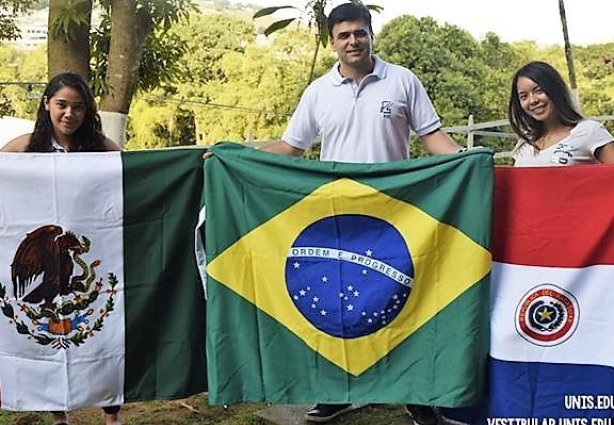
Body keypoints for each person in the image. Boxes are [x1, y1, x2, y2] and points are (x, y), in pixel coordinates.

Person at [262, 3, 463, 424]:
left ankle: (417, 394)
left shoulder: (403, 81)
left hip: (399, 216)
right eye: (343, 35)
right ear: (331, 41)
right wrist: (232, 154)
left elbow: (435, 141)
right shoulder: (318, 91)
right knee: (339, 308)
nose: (352, 41)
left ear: (372, 34)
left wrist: (472, 162)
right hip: (338, 218)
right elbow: (290, 149)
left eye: (359, 33)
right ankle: (337, 393)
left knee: (408, 303)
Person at [1, 72, 122, 425]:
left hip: (97, 244)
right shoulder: (26, 146)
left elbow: (137, 171)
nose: (70, 114)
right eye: (62, 105)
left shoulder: (99, 146)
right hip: (45, 252)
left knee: (104, 340)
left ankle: (112, 415)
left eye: (79, 107)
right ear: (47, 105)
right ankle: (60, 416)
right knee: (49, 341)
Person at [509, 61, 614, 166]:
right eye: (524, 96)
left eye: (539, 91)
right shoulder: (525, 141)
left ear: (555, 89)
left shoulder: (589, 130)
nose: (532, 100)